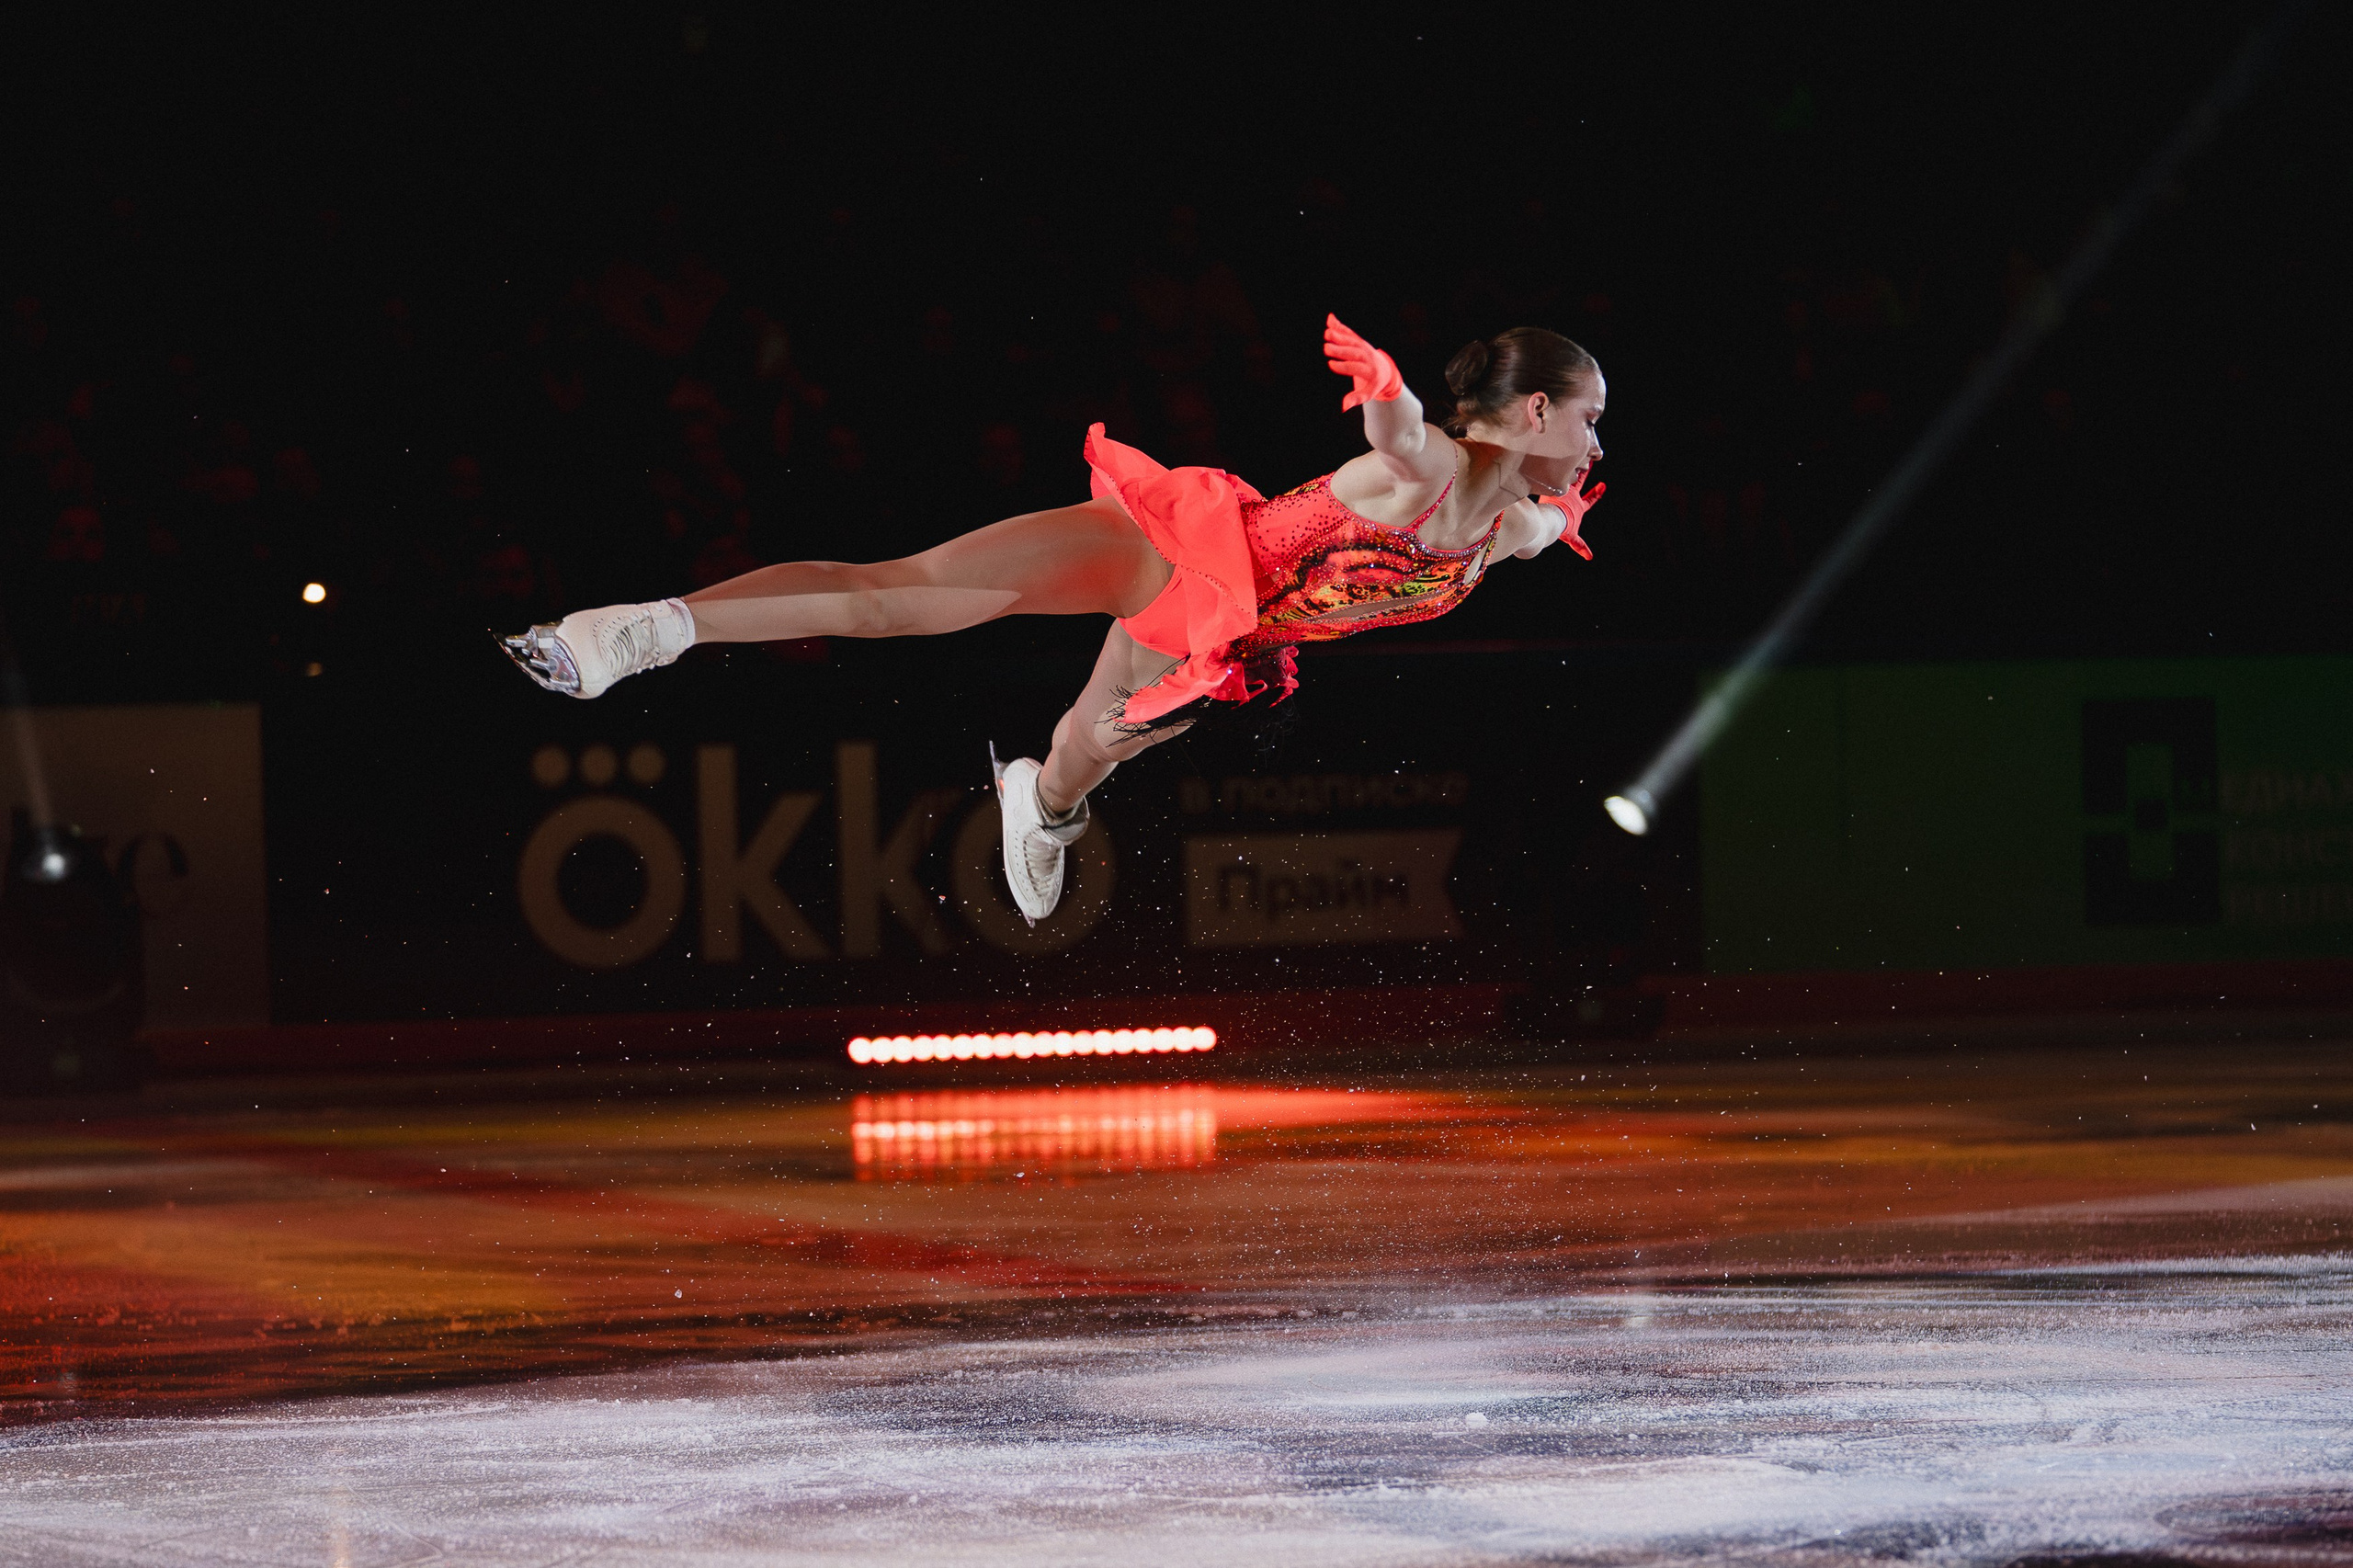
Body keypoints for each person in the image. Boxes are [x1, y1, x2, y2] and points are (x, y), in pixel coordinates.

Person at [501, 316, 1607, 922]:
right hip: (1168, 555)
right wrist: (1387, 391)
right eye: (1589, 420)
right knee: (904, 597)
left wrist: (1556, 514)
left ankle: (1040, 805)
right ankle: (645, 628)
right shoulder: (1410, 480)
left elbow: (1542, 527)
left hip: (1216, 638)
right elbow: (1405, 442)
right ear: (1538, 409)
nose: (1598, 445)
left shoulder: (1505, 526)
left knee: (1086, 751)